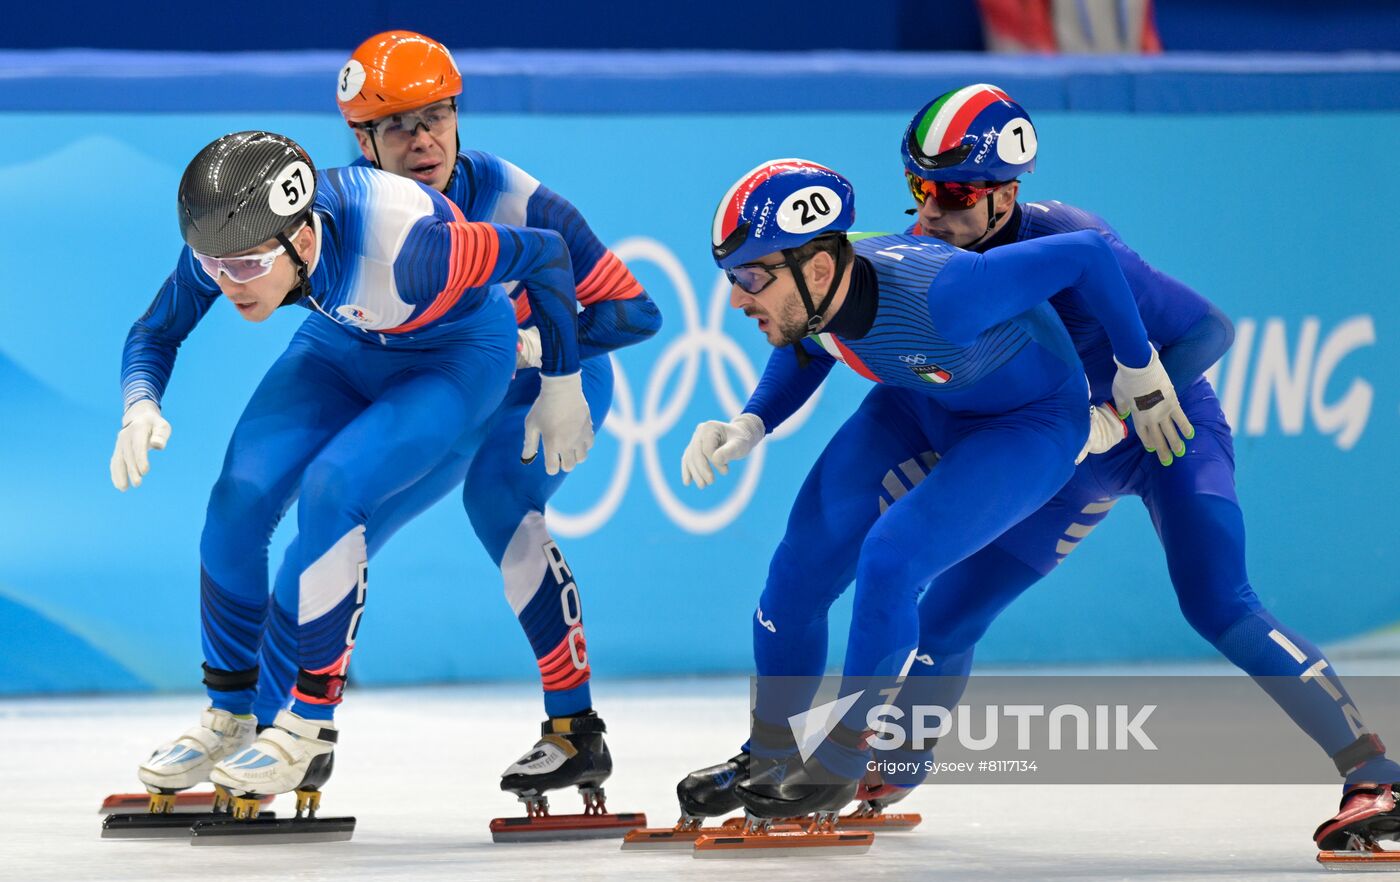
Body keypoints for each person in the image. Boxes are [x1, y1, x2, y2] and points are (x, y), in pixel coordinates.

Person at [892, 84, 1400, 854]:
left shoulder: (1071, 236)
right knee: (947, 615)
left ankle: (1378, 778)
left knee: (1220, 605)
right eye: (919, 188)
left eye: (954, 192)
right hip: (1073, 452)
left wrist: (1124, 408)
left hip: (1167, 430)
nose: (931, 212)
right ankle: (889, 772)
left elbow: (1206, 329)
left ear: (1007, 192)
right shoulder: (926, 255)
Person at [675, 157, 1184, 833]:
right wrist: (752, 420)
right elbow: (811, 343)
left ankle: (846, 755)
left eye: (749, 278)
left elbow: (1088, 256)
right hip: (921, 403)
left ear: (819, 270)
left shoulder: (946, 290)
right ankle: (770, 752)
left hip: (1026, 424)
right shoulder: (819, 293)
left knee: (893, 557)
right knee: (798, 569)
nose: (737, 298)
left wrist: (1138, 368)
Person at [111, 130, 591, 821]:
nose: (225, 282)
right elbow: (155, 329)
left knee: (334, 486)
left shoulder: (415, 250)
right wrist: (139, 404)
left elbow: (546, 253)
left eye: (244, 266)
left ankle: (309, 726)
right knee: (235, 500)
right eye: (212, 265)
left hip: (454, 354)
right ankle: (230, 717)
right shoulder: (237, 233)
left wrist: (561, 381)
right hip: (348, 339)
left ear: (302, 242)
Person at [252, 31, 658, 819]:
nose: (424, 138)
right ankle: (281, 735)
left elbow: (638, 311)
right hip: (448, 388)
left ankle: (575, 729)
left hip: (546, 384)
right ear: (362, 138)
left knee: (499, 504)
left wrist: (549, 355)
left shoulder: (510, 194)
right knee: (321, 533)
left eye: (437, 115)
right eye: (400, 124)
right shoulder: (340, 215)